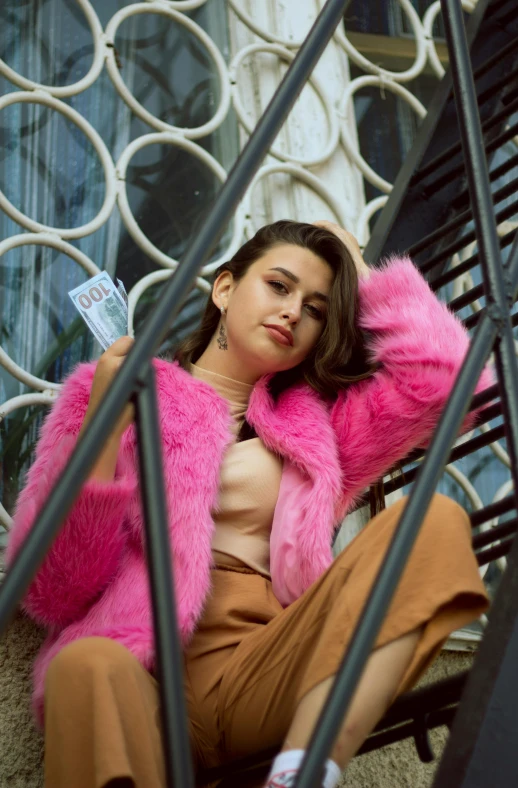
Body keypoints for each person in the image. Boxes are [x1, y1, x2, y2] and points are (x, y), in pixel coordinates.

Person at [6, 220, 492, 788]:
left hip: (267, 661)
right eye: (279, 286)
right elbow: (53, 589)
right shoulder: (120, 390)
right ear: (225, 288)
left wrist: (360, 271)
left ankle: (303, 771)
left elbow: (453, 383)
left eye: (314, 309)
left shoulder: (318, 429)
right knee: (84, 663)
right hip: (144, 669)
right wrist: (108, 424)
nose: (292, 313)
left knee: (431, 521)